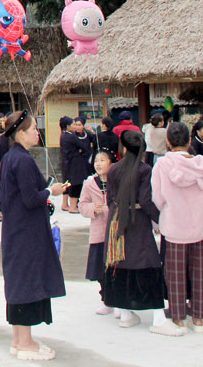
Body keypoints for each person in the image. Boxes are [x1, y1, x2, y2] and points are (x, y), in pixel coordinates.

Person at [0, 109, 66, 361]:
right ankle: (25, 343)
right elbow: (30, 198)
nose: (37, 133)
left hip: (16, 228)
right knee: (26, 280)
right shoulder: (23, 159)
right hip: (26, 230)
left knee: (18, 280)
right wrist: (52, 191)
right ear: (21, 133)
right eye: (33, 129)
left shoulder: (10, 156)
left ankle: (19, 339)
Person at [152, 121, 203, 334]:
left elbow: (157, 197)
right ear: (190, 140)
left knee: (175, 274)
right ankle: (199, 318)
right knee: (199, 272)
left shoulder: (163, 165)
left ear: (168, 141)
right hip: (200, 224)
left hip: (174, 225)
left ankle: (178, 317)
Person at [102, 129, 171, 335]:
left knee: (119, 262)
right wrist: (160, 218)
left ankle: (125, 314)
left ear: (123, 149)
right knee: (148, 263)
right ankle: (158, 318)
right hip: (137, 222)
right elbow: (146, 200)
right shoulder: (144, 170)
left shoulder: (113, 170)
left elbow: (110, 197)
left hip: (117, 220)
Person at [78, 147, 114, 316]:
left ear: (111, 163)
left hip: (115, 232)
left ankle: (118, 300)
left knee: (115, 267)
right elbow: (82, 205)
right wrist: (93, 208)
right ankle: (106, 299)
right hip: (98, 232)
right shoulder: (89, 183)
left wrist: (106, 210)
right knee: (101, 269)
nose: (98, 164)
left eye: (103, 160)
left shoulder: (117, 180)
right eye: (96, 161)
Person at [59, 117, 92, 213]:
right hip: (75, 163)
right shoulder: (71, 136)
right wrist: (79, 150)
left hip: (67, 161)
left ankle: (65, 203)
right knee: (76, 183)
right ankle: (73, 206)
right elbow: (84, 147)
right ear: (68, 126)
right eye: (73, 124)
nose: (75, 126)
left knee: (67, 182)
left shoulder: (63, 135)